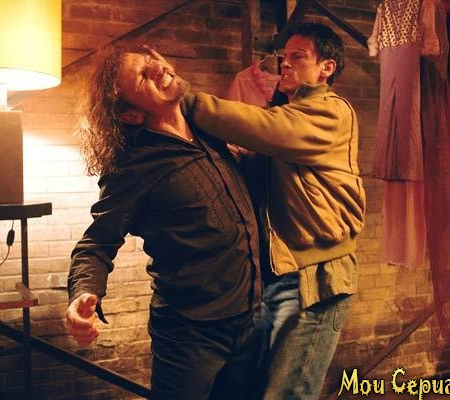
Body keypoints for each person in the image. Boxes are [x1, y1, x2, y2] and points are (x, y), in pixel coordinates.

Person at [66, 45, 264, 400]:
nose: (157, 68)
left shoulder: (211, 131)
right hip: (191, 335)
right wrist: (83, 293)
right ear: (131, 115)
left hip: (251, 318)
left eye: (151, 60)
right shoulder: (134, 168)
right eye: (143, 75)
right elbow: (96, 244)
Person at [183, 22, 366, 400]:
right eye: (284, 57)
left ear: (326, 68)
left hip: (318, 280)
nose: (285, 64)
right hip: (279, 275)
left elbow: (267, 127)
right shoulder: (287, 115)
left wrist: (185, 101)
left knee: (288, 392)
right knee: (245, 389)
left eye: (298, 57)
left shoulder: (330, 112)